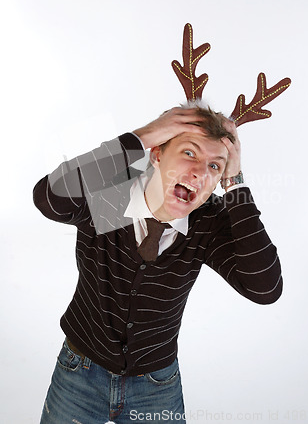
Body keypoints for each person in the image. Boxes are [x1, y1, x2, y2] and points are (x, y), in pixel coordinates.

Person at [34, 105, 282, 424]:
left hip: (156, 386)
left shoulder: (206, 219)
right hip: (78, 372)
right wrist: (141, 137)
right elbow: (47, 198)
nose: (199, 173)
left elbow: (265, 288)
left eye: (215, 166)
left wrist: (236, 185)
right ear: (157, 154)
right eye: (189, 152)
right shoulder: (112, 195)